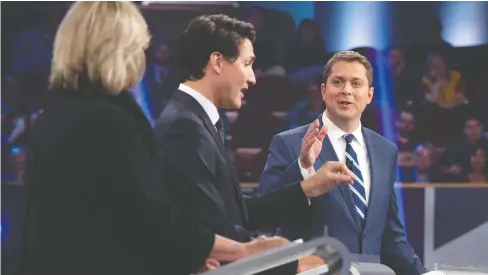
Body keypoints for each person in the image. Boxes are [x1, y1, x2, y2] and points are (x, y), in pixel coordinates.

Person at [19, 3, 291, 275]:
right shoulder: (109, 122)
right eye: (139, 48)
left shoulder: (52, 117)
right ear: (120, 53)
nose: (142, 59)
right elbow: (149, 223)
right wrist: (242, 251)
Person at [153, 14, 355, 275]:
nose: (252, 78)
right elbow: (208, 234)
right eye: (247, 64)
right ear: (217, 62)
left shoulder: (197, 120)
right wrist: (290, 264)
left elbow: (235, 214)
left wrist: (307, 187)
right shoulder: (185, 128)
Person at [258, 51, 427, 275]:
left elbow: (391, 239)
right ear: (323, 91)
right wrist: (303, 166)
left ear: (369, 95)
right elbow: (265, 216)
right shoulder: (289, 143)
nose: (346, 90)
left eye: (356, 83)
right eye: (338, 82)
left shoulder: (386, 151)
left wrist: (424, 274)